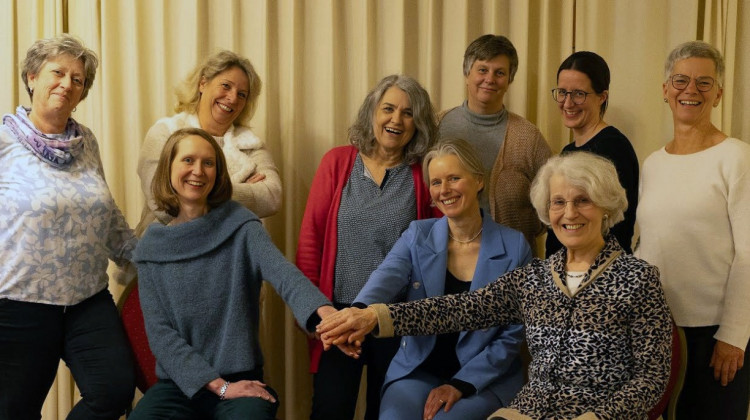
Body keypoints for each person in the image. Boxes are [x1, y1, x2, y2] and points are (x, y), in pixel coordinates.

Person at [319, 152, 673, 420]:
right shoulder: (536, 278)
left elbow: (652, 378)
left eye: (583, 200)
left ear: (606, 206)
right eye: (559, 202)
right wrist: (373, 317)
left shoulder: (638, 279)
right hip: (530, 411)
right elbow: (459, 309)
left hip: (600, 414)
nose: (569, 213)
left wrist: (598, 418)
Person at [130, 128, 334, 420]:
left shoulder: (242, 225)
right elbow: (161, 335)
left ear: (218, 173)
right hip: (180, 384)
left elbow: (284, 275)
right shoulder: (151, 247)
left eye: (208, 163)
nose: (198, 171)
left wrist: (326, 315)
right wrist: (220, 387)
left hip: (241, 377)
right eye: (188, 160)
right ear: (168, 168)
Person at [0, 34, 136, 419]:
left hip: (86, 300)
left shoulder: (85, 141)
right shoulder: (4, 140)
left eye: (77, 79)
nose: (67, 84)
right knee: (15, 411)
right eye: (57, 73)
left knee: (113, 393)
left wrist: (151, 257)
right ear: (32, 77)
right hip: (20, 303)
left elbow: (106, 216)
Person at [353, 139, 529, 420]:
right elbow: (385, 277)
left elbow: (512, 334)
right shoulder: (417, 234)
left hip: (483, 378)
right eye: (436, 182)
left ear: (479, 181)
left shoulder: (515, 246)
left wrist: (460, 384)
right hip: (419, 369)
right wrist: (357, 314)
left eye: (454, 178)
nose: (444, 190)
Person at [296, 74, 439, 420]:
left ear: (418, 123)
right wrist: (315, 314)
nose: (396, 120)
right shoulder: (337, 162)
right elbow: (311, 242)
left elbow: (438, 248)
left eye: (408, 113)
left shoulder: (423, 174)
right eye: (388, 109)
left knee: (387, 412)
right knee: (330, 410)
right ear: (372, 112)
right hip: (337, 316)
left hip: (396, 319)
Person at [636, 40, 750, 419]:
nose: (691, 90)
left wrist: (733, 336)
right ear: (665, 89)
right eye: (681, 80)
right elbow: (647, 245)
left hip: (715, 336)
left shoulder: (736, 157)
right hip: (657, 330)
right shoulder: (653, 163)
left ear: (718, 94)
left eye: (704, 83)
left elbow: (749, 252)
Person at [136, 50, 280, 235]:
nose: (233, 98)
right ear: (203, 83)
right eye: (226, 86)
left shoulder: (251, 145)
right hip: (164, 245)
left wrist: (193, 190)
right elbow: (162, 202)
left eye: (242, 94)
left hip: (230, 249)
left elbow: (272, 198)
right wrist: (241, 190)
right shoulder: (165, 133)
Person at [438, 34, 551, 251]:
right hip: (446, 254)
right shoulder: (437, 126)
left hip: (512, 259)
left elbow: (554, 198)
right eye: (482, 70)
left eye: (499, 73)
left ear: (509, 81)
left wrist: (526, 227)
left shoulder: (528, 136)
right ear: (467, 73)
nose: (490, 79)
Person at [546, 51, 639, 256]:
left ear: (602, 97)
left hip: (600, 271)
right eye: (562, 92)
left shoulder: (613, 149)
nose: (567, 103)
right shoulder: (567, 152)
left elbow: (616, 228)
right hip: (565, 269)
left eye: (579, 94)